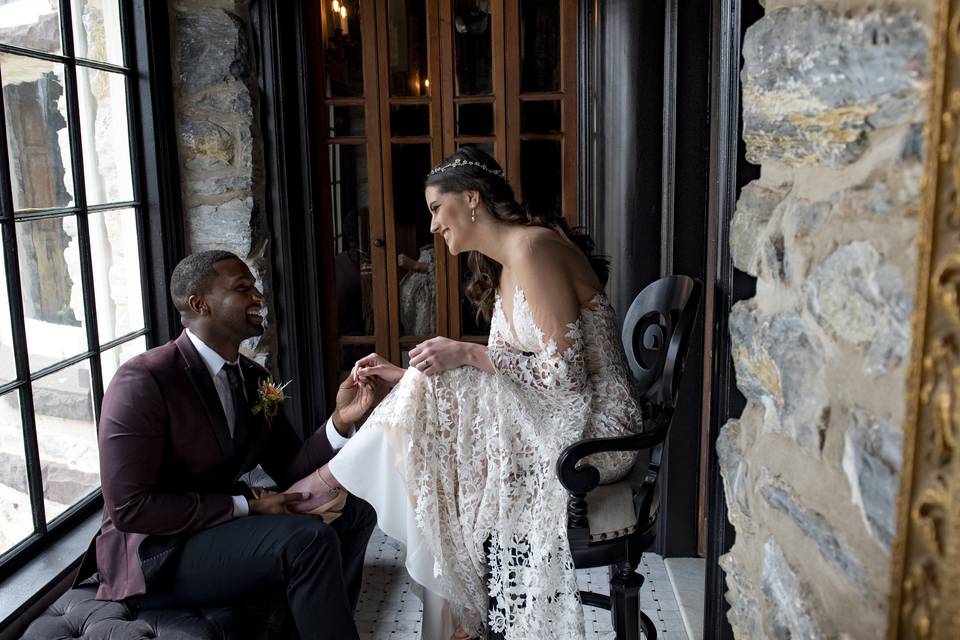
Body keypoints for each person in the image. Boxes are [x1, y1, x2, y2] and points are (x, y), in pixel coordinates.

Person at [287, 147, 643, 640]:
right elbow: (509, 373)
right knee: (434, 427)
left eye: (436, 208)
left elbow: (566, 378)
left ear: (471, 198)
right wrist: (409, 375)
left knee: (442, 437)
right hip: (560, 414)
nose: (432, 225)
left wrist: (467, 354)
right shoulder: (510, 261)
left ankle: (333, 483)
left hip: (597, 432)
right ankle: (463, 611)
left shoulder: (532, 249)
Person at [85, 250, 378, 640]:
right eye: (243, 288)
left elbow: (289, 466)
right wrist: (247, 506)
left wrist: (341, 420)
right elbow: (130, 509)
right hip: (157, 554)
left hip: (217, 528)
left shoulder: (252, 376)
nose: (258, 296)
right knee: (308, 540)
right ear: (199, 303)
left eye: (255, 287)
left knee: (357, 510)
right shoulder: (144, 380)